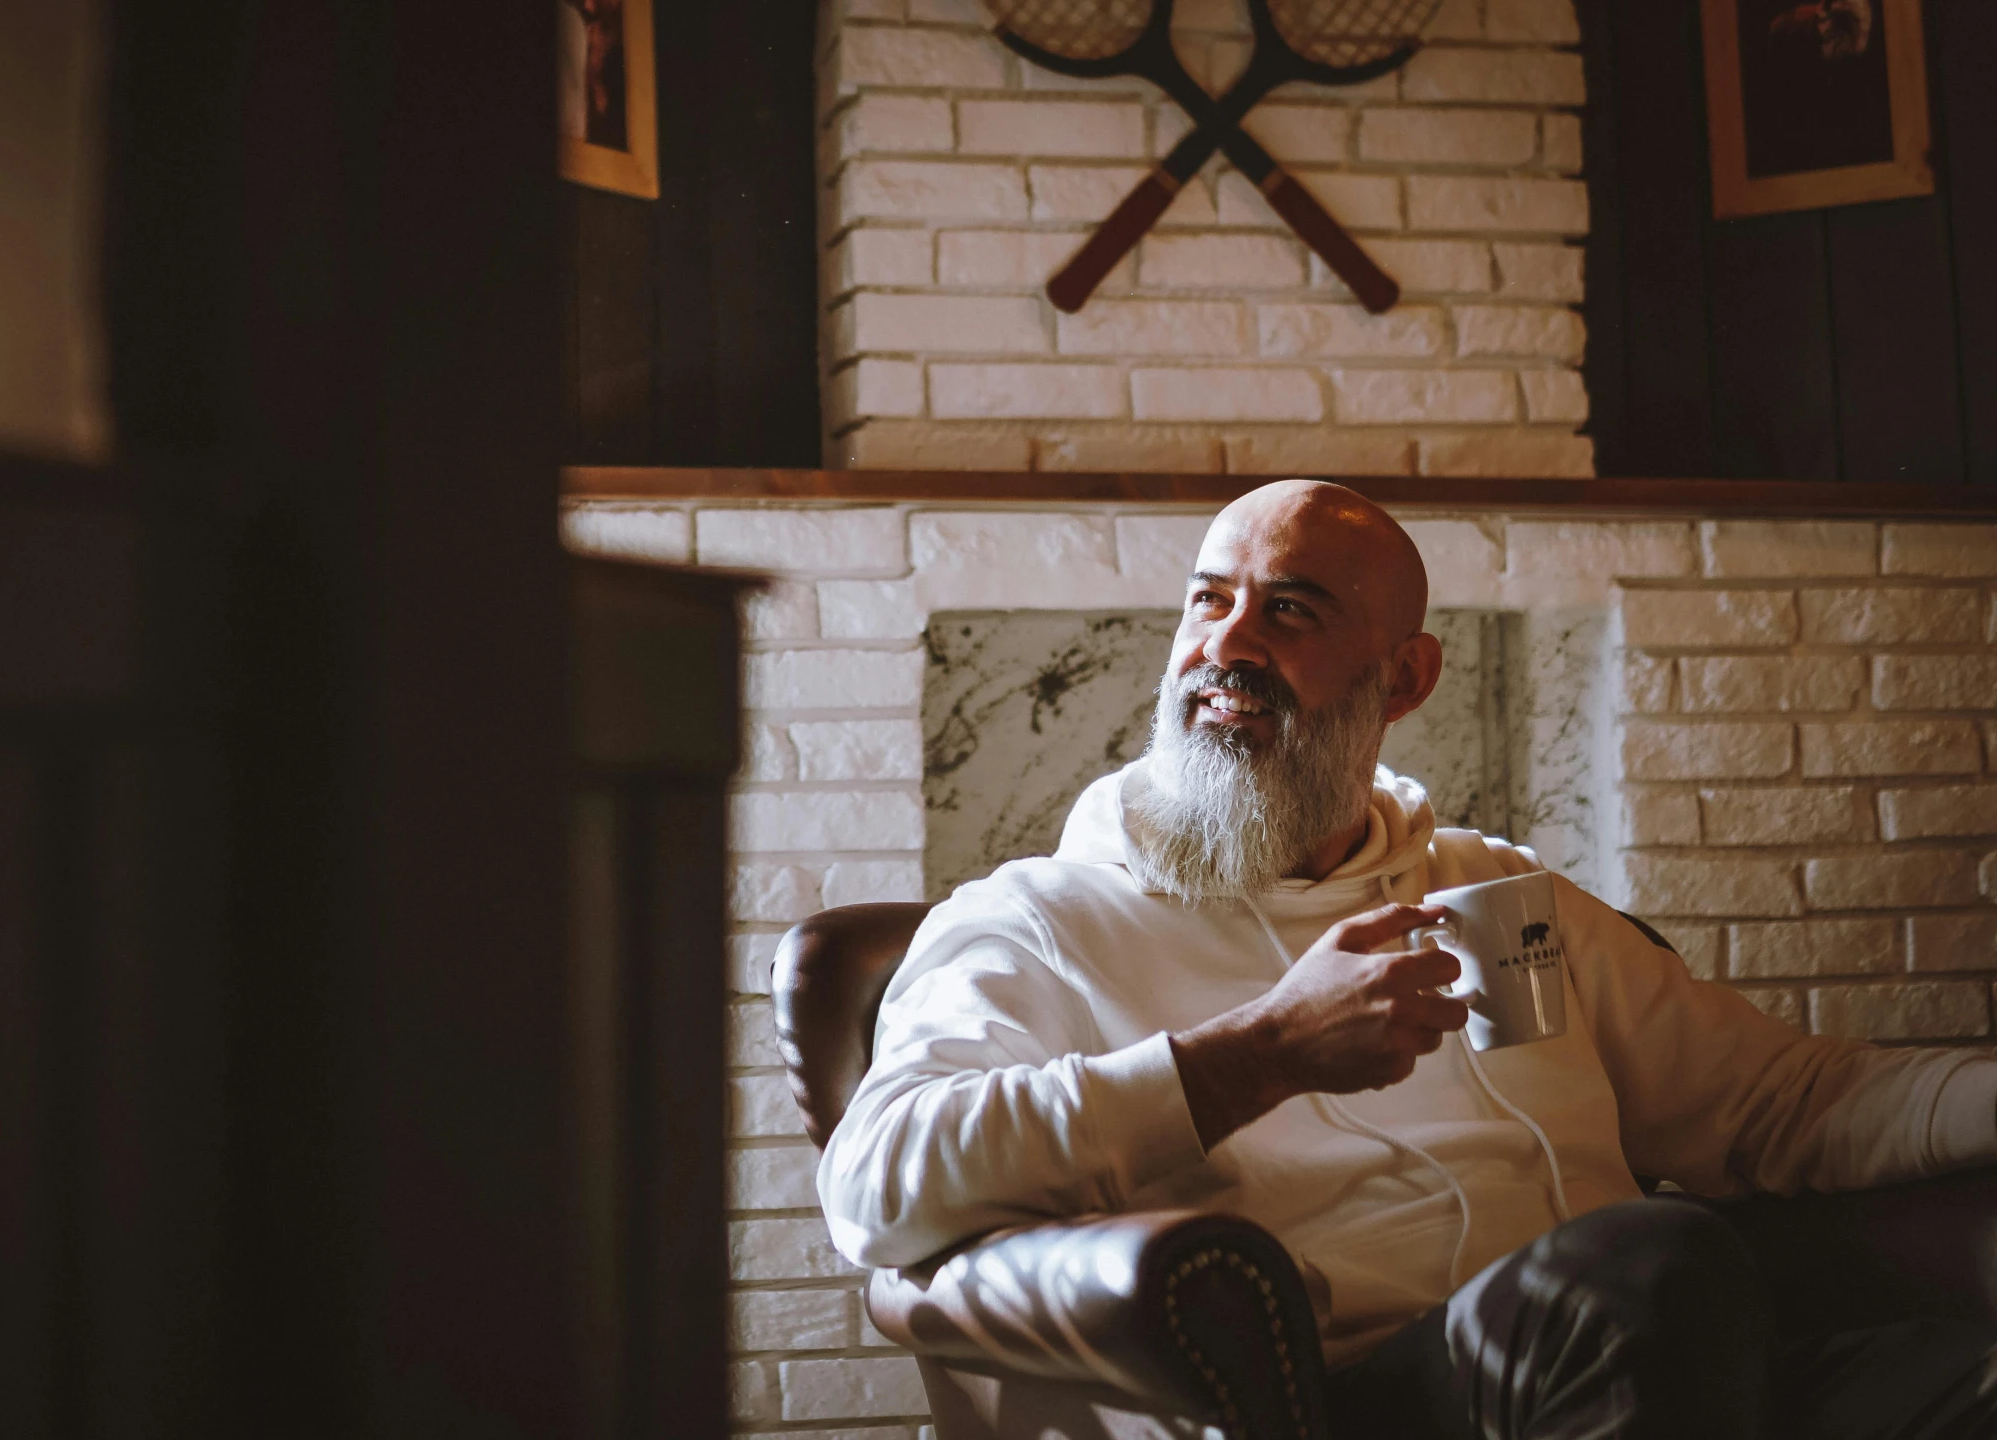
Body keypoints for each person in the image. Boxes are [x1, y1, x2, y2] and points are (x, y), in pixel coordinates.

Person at [817, 480, 1997, 1438]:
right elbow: (872, 1188)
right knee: (1643, 1261)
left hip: (1641, 1362)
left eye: (1291, 611)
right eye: (1207, 603)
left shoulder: (1491, 888)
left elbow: (1785, 1105)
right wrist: (1256, 1055)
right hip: (1361, 1399)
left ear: (1405, 676)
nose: (1226, 645)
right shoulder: (1037, 921)